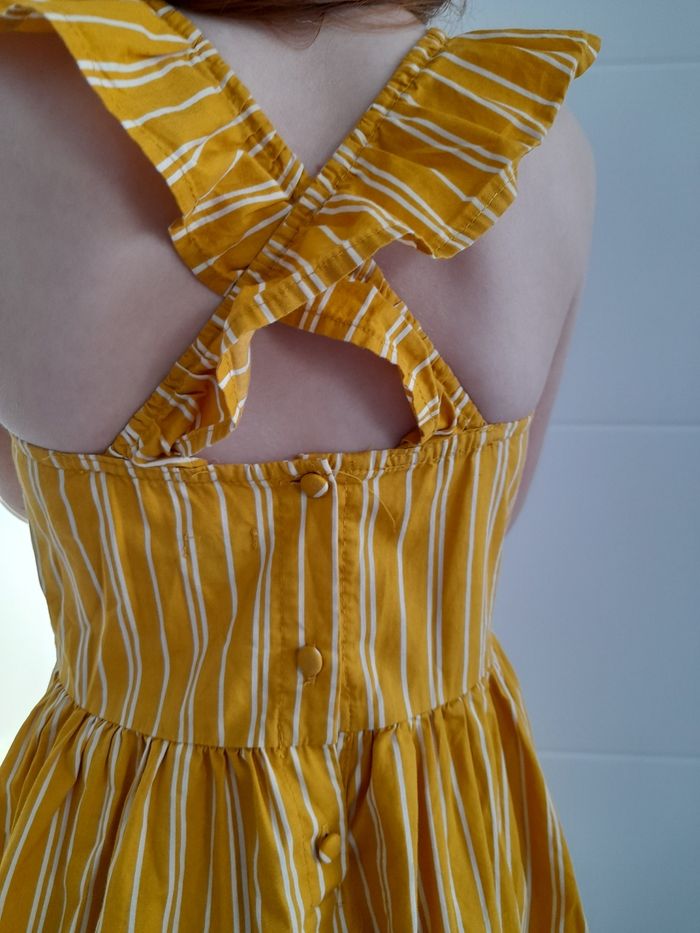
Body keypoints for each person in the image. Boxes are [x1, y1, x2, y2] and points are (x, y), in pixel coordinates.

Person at [0, 1, 601, 928]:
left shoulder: (19, 106)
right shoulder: (534, 136)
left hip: (126, 837)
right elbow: (490, 519)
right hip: (440, 831)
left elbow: (34, 497)